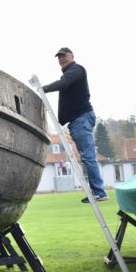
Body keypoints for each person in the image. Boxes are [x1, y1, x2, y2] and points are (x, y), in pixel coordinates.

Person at [42, 47, 108, 202]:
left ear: (72, 56)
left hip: (82, 118)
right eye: (59, 57)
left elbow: (63, 84)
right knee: (86, 157)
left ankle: (99, 192)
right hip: (77, 121)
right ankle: (96, 191)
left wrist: (42, 89)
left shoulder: (76, 70)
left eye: (64, 56)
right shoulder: (69, 73)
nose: (61, 59)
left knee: (88, 156)